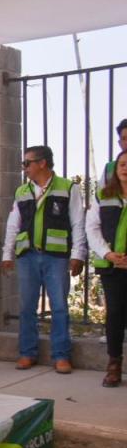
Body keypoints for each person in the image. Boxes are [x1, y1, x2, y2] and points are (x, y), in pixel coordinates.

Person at [0, 145, 86, 374]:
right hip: (27, 256)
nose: (24, 168)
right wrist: (7, 253)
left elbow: (78, 222)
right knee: (27, 306)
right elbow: (13, 224)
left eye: (27, 163)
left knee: (59, 306)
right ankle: (27, 352)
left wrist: (78, 254)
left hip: (56, 256)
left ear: (42, 163)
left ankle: (61, 355)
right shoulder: (22, 191)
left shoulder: (67, 188)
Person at [86, 150, 127, 387]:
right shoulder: (103, 195)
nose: (125, 168)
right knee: (115, 314)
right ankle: (114, 364)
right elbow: (92, 227)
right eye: (122, 164)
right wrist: (108, 254)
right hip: (112, 266)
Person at [99, 119, 127, 187]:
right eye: (123, 139)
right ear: (120, 143)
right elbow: (100, 192)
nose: (126, 142)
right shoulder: (109, 169)